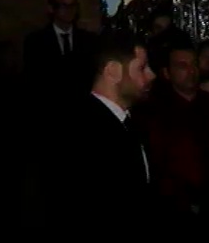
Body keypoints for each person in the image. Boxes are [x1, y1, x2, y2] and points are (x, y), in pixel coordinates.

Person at [55, 33, 157, 241]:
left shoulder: (131, 122)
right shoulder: (82, 131)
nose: (152, 75)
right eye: (141, 68)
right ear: (113, 71)